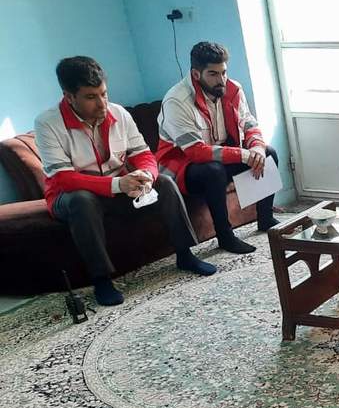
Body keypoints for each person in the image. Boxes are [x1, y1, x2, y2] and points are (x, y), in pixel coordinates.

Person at [34, 56, 215, 306]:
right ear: (69, 97)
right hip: (68, 195)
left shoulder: (118, 113)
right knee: (82, 200)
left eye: (104, 94)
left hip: (116, 186)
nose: (102, 104)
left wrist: (146, 176)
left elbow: (143, 155)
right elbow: (63, 179)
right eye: (91, 97)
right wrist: (119, 184)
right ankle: (101, 279)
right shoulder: (47, 123)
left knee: (164, 183)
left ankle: (185, 254)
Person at [157, 41, 280, 255]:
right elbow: (195, 151)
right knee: (213, 170)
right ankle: (225, 236)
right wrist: (243, 155)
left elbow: (249, 124)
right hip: (182, 167)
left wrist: (257, 148)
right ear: (196, 74)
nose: (221, 80)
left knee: (268, 153)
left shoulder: (233, 89)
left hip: (218, 156)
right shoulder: (176, 101)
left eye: (223, 72)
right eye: (213, 74)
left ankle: (265, 218)